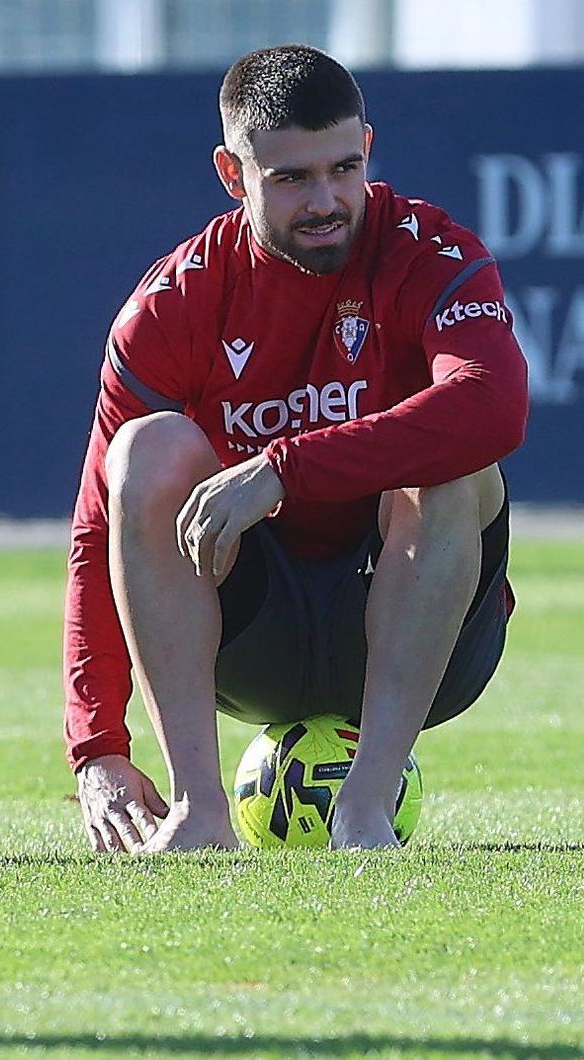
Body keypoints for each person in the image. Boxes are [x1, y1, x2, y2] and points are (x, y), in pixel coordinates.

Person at [64, 44, 528, 853]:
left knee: (456, 469)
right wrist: (98, 744)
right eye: (290, 179)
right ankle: (199, 812)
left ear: (369, 150)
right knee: (145, 451)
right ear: (229, 172)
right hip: (253, 640)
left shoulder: (429, 251)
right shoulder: (174, 303)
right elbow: (99, 528)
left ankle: (365, 806)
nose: (326, 200)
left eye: (343, 168)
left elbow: (493, 406)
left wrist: (283, 469)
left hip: (427, 637)